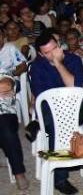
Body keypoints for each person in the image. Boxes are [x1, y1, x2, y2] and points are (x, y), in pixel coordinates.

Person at [30, 30, 83, 194]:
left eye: (55, 49)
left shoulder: (73, 60)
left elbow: (75, 89)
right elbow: (42, 98)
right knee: (55, 121)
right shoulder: (37, 67)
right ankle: (60, 178)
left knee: (56, 119)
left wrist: (59, 64)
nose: (53, 54)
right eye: (47, 53)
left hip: (75, 109)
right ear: (40, 54)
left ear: (59, 46)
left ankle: (37, 124)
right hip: (52, 111)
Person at [0, 27, 29, 189]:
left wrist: (12, 73)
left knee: (6, 130)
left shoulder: (10, 49)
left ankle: (19, 172)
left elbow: (5, 85)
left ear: (3, 37)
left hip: (4, 109)